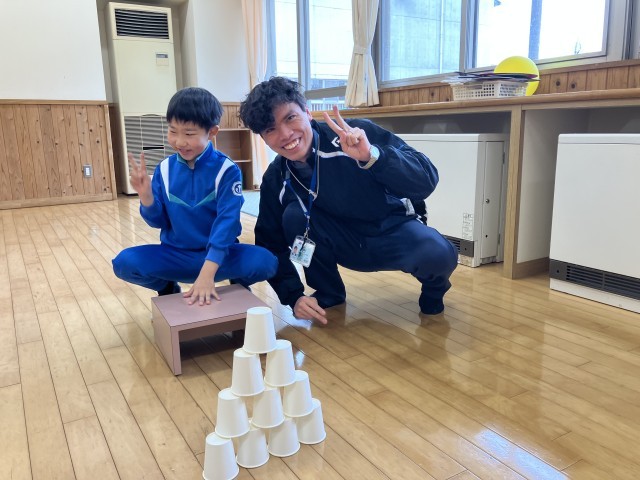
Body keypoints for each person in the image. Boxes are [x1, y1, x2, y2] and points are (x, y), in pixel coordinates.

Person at [238, 77, 457, 324]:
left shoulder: (354, 134)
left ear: (307, 112)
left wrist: (373, 156)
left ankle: (433, 292)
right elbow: (269, 242)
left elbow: (426, 180)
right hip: (343, 243)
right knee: (295, 216)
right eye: (270, 129)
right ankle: (329, 293)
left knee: (438, 254)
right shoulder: (276, 177)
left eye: (290, 118)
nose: (286, 134)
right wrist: (294, 296)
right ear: (263, 138)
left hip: (391, 231)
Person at [112, 87, 278, 305]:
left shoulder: (227, 170)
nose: (180, 141)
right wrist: (146, 198)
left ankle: (237, 282)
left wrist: (208, 272)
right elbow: (157, 222)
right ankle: (167, 287)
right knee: (124, 263)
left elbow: (227, 223)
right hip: (176, 256)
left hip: (221, 257)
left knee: (266, 262)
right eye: (173, 131)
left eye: (189, 134)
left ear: (212, 132)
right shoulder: (164, 169)